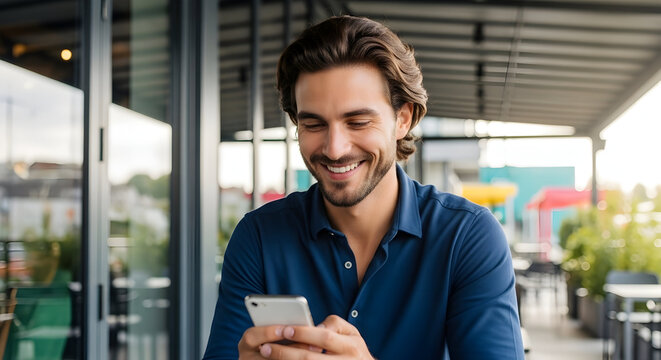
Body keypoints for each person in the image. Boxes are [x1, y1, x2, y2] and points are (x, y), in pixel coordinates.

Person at [204, 15, 524, 360]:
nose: (334, 148)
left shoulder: (467, 236)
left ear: (403, 119)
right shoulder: (259, 237)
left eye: (357, 122)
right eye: (313, 123)